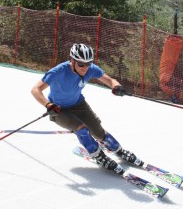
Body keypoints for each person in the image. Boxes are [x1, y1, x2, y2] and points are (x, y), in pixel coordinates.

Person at [31, 43, 143, 174]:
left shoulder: (90, 69)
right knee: (82, 129)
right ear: (72, 61)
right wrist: (48, 104)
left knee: (99, 132)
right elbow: (35, 89)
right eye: (81, 64)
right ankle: (98, 156)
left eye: (88, 64)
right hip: (59, 109)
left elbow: (110, 80)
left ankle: (119, 151)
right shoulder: (58, 71)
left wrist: (116, 86)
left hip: (79, 104)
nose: (85, 68)